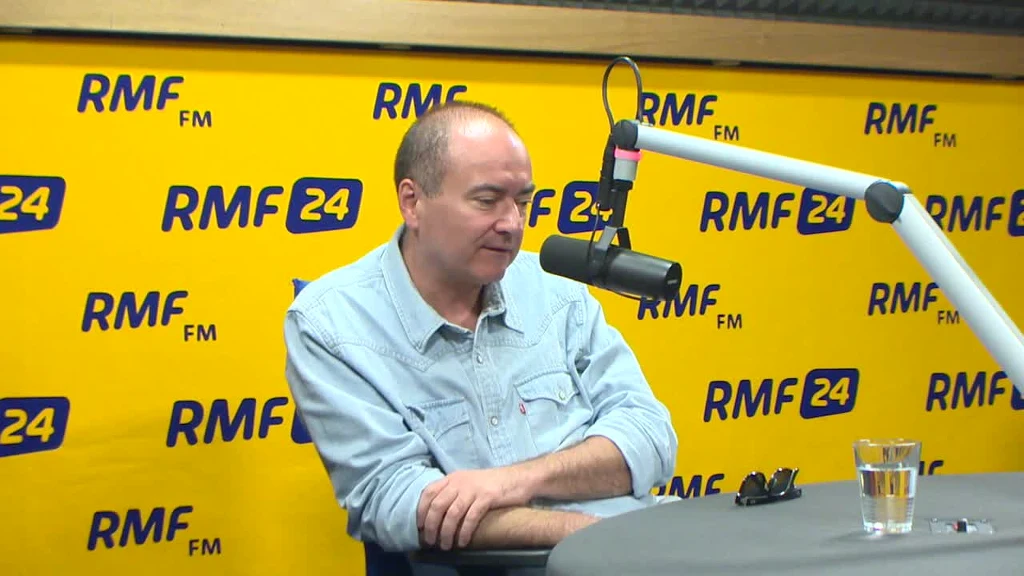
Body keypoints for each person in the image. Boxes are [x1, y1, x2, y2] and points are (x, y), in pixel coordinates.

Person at [283, 100, 678, 574]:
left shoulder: (558, 292)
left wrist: (513, 482)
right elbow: (398, 500)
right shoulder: (331, 323)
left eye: (523, 201)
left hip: (639, 548)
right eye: (487, 201)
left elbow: (650, 437)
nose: (513, 223)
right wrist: (590, 532)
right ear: (413, 202)